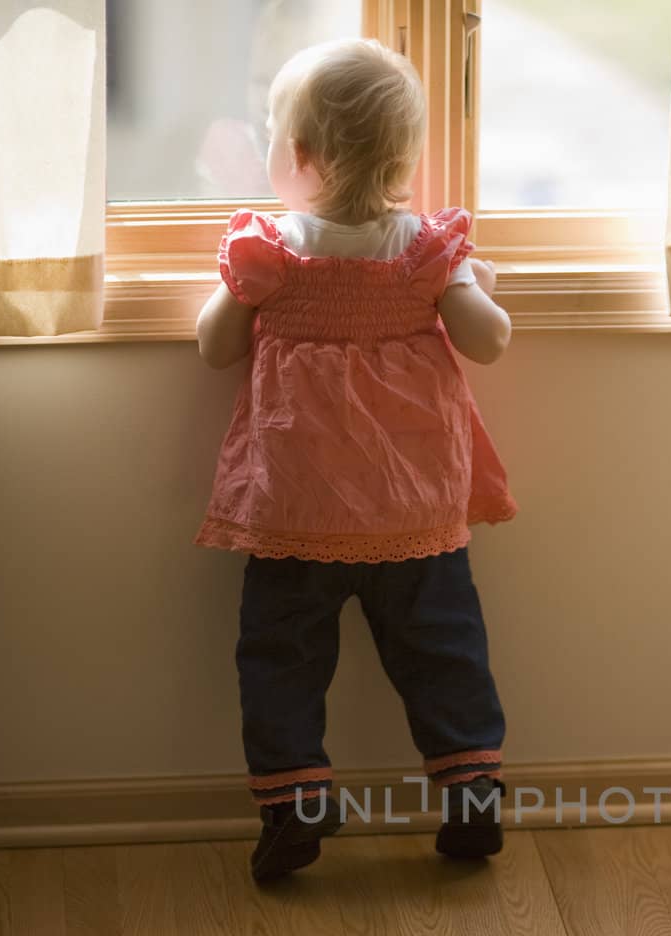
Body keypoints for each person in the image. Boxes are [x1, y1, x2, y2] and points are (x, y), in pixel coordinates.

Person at [194, 36, 517, 884]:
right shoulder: (423, 251)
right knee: (443, 650)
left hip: (296, 507)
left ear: (298, 156)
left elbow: (213, 348)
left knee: (280, 659)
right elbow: (489, 342)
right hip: (412, 506)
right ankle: (471, 790)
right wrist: (473, 281)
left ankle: (296, 803)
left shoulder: (271, 252)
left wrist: (239, 298)